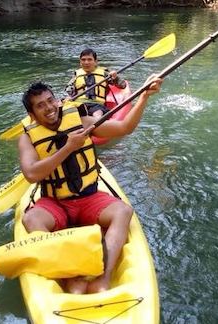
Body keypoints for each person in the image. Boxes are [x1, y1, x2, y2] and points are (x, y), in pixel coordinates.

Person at [18, 75, 162, 294]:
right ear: (32, 115)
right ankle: (71, 276)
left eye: (50, 100)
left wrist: (143, 96)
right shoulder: (27, 137)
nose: (49, 108)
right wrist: (68, 147)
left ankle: (102, 276)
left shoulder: (82, 121)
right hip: (55, 202)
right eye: (40, 105)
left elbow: (124, 127)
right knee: (31, 218)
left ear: (57, 100)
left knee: (123, 211)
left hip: (89, 198)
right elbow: (30, 174)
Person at [65, 48, 127, 120]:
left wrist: (115, 78)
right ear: (80, 62)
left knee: (97, 114)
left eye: (89, 59)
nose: (86, 62)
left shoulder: (105, 74)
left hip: (97, 105)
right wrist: (68, 96)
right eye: (83, 60)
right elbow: (69, 90)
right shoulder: (76, 75)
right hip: (80, 104)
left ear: (95, 61)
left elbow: (123, 85)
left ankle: (96, 124)